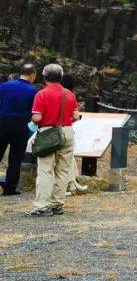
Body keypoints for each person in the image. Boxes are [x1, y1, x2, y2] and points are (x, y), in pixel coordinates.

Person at [29, 63, 80, 217]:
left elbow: (37, 117)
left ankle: (42, 206)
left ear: (44, 77)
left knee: (45, 170)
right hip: (67, 132)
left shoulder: (42, 94)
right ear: (61, 77)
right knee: (63, 170)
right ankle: (57, 204)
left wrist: (34, 119)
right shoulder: (69, 94)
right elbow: (76, 116)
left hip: (48, 133)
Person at [0, 61, 37, 196]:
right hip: (21, 124)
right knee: (16, 157)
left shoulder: (4, 86)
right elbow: (34, 111)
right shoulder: (33, 91)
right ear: (33, 75)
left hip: (2, 122)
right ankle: (9, 188)